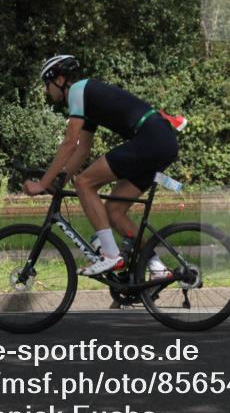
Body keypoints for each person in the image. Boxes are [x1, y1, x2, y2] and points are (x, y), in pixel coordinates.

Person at [22, 55, 179, 276]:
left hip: (151, 138)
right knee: (114, 211)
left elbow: (69, 143)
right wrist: (60, 180)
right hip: (160, 141)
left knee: (84, 183)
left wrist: (42, 183)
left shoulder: (77, 90)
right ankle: (157, 268)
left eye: (47, 85)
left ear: (59, 80)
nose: (47, 91)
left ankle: (111, 255)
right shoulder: (87, 100)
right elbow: (82, 150)